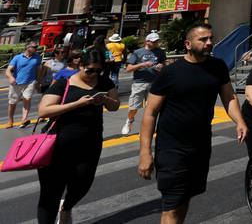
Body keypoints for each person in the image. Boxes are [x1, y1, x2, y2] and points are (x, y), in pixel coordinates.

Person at [137, 23, 248, 224]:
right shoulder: (171, 72)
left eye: (210, 38)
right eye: (203, 39)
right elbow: (150, 113)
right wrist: (145, 152)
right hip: (172, 148)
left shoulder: (218, 67)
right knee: (172, 203)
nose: (209, 43)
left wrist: (239, 121)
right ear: (188, 44)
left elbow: (229, 96)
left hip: (201, 145)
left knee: (184, 198)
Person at [35, 48, 119, 224]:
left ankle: (66, 207)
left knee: (83, 184)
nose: (94, 74)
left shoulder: (105, 82)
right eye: (90, 70)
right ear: (80, 65)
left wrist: (105, 100)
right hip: (57, 145)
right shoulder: (63, 83)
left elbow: (114, 106)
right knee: (50, 194)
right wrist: (77, 104)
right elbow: (43, 111)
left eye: (98, 70)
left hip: (90, 144)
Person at [122, 31, 167, 135]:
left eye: (157, 41)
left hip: (154, 83)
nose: (156, 43)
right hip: (139, 83)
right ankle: (129, 121)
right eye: (153, 41)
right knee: (133, 107)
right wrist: (143, 64)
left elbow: (164, 64)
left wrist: (161, 66)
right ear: (147, 41)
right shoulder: (138, 52)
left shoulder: (160, 52)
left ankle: (148, 128)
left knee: (151, 108)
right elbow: (128, 68)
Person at [6, 41, 43, 128]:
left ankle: (24, 119)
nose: (36, 48)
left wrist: (38, 82)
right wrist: (11, 77)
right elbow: (8, 70)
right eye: (34, 47)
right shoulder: (17, 58)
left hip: (30, 82)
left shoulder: (37, 57)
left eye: (36, 47)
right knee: (12, 103)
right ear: (28, 48)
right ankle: (10, 120)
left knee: (27, 99)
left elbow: (38, 70)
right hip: (17, 83)